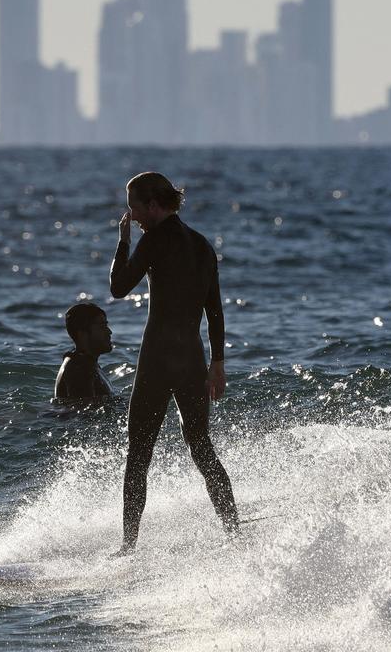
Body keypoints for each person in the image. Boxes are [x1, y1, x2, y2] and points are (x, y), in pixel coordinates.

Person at [109, 171, 238, 553]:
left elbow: (118, 288)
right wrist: (218, 362)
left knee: (139, 453)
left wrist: (123, 242)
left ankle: (128, 547)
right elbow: (215, 310)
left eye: (134, 207)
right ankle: (234, 534)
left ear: (153, 204)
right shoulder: (201, 245)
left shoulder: (153, 240)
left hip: (158, 358)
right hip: (193, 359)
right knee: (201, 447)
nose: (131, 215)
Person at [53, 301, 114, 403]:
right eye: (102, 326)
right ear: (82, 334)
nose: (109, 332)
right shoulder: (79, 370)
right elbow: (84, 414)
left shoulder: (86, 363)